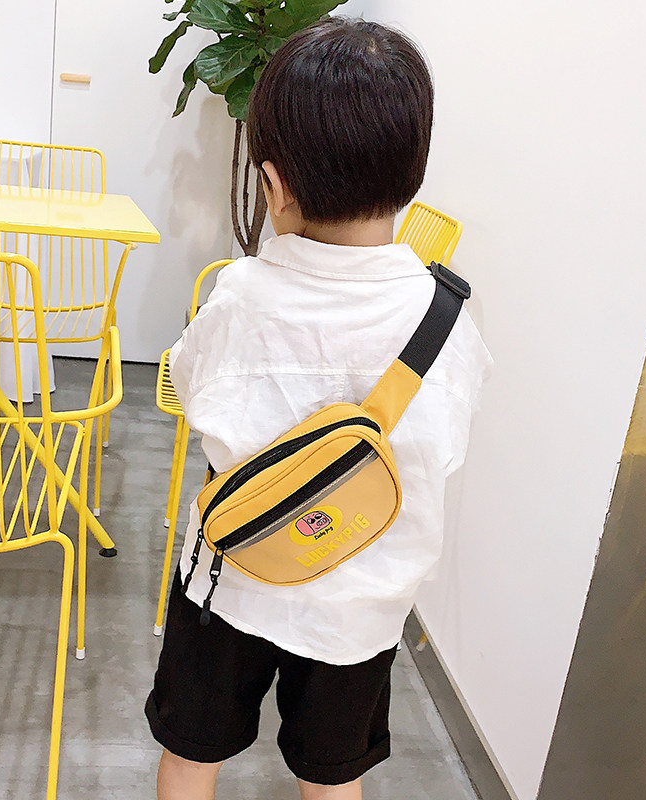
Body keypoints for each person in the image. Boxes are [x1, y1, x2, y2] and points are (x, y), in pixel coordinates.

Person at [145, 17, 492, 800]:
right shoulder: (448, 322)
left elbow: (190, 391)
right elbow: (445, 447)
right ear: (412, 172)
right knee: (334, 777)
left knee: (192, 755)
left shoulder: (241, 298)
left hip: (234, 581)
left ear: (273, 186)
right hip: (364, 607)